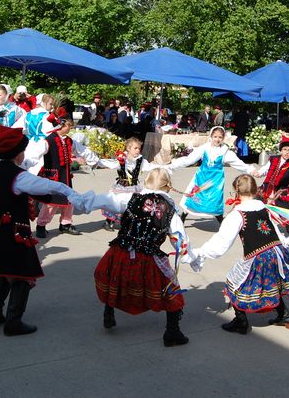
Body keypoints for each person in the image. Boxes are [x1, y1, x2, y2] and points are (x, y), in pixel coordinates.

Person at [0, 126, 99, 336]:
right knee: (23, 272)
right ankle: (13, 321)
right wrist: (72, 193)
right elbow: (49, 186)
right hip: (14, 233)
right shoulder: (19, 177)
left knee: (6, 271)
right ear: (18, 154)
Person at [186, 174, 289, 334]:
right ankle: (285, 316)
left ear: (235, 191)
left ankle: (241, 322)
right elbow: (276, 231)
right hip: (277, 251)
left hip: (258, 256)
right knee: (272, 283)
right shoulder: (264, 207)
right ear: (255, 189)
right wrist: (286, 244)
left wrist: (200, 252)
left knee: (234, 282)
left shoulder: (237, 214)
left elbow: (221, 242)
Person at [93, 168, 190, 346]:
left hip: (121, 251)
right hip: (149, 256)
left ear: (146, 183)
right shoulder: (169, 209)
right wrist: (186, 253)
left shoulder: (131, 198)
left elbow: (108, 201)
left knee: (115, 280)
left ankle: (109, 312)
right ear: (167, 186)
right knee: (171, 289)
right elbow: (179, 237)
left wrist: (84, 201)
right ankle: (172, 331)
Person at [35, 112, 109, 236]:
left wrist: (95, 161)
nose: (71, 128)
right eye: (69, 125)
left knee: (70, 199)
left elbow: (83, 150)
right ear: (61, 125)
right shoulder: (48, 140)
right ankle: (41, 225)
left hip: (65, 176)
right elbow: (35, 155)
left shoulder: (69, 141)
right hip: (53, 177)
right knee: (52, 203)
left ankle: (65, 224)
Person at [164, 126, 254, 225]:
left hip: (216, 181)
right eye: (215, 136)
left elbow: (237, 163)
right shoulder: (204, 148)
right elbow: (189, 159)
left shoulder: (225, 151)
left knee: (214, 200)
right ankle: (184, 215)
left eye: (220, 137)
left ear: (223, 138)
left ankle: (220, 220)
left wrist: (251, 170)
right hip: (201, 177)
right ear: (211, 136)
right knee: (194, 198)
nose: (217, 139)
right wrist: (172, 166)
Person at [99, 137, 155, 231]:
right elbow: (109, 163)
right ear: (128, 148)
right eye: (135, 148)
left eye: (139, 149)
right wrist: (96, 161)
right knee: (116, 203)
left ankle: (127, 223)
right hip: (121, 186)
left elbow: (150, 166)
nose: (138, 150)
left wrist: (165, 167)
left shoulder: (141, 161)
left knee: (132, 204)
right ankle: (108, 222)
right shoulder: (121, 159)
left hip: (134, 187)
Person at [252, 135, 289, 209]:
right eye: (285, 149)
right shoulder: (273, 159)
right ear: (281, 150)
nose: (287, 152)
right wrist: (259, 173)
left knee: (280, 214)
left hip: (280, 192)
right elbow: (266, 168)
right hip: (266, 188)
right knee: (260, 210)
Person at [23, 94, 56, 173]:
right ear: (43, 103)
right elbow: (49, 132)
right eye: (50, 104)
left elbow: (22, 129)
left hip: (29, 142)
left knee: (28, 167)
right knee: (40, 169)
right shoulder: (46, 115)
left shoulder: (28, 114)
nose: (52, 107)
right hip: (42, 143)